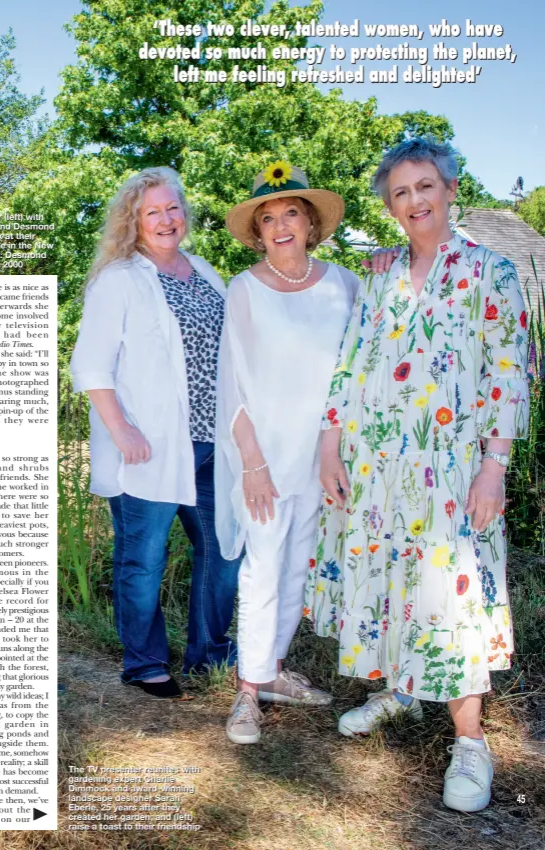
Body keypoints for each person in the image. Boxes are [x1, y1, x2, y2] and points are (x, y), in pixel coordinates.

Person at [305, 137, 530, 812]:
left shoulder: (491, 272)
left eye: (425, 186)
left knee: (453, 594)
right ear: (391, 205)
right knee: (391, 578)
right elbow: (350, 362)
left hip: (456, 469)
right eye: (400, 192)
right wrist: (329, 447)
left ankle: (469, 742)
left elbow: (509, 375)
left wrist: (495, 467)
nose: (414, 202)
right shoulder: (379, 274)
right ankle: (400, 691)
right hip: (378, 465)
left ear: (451, 189)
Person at [70, 167, 239, 698]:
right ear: (134, 222)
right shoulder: (119, 279)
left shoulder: (208, 273)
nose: (166, 219)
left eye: (173, 208)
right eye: (153, 212)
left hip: (216, 441)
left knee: (224, 551)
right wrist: (122, 431)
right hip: (150, 445)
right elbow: (91, 366)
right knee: (143, 559)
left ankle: (207, 653)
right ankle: (144, 662)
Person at [216, 162, 362, 744]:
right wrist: (251, 462)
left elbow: (356, 367)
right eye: (268, 218)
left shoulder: (344, 283)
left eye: (291, 213)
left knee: (298, 565)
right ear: (257, 231)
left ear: (310, 223)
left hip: (325, 455)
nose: (280, 226)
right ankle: (247, 693)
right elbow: (233, 383)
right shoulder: (244, 289)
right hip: (266, 459)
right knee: (263, 568)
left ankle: (271, 670)